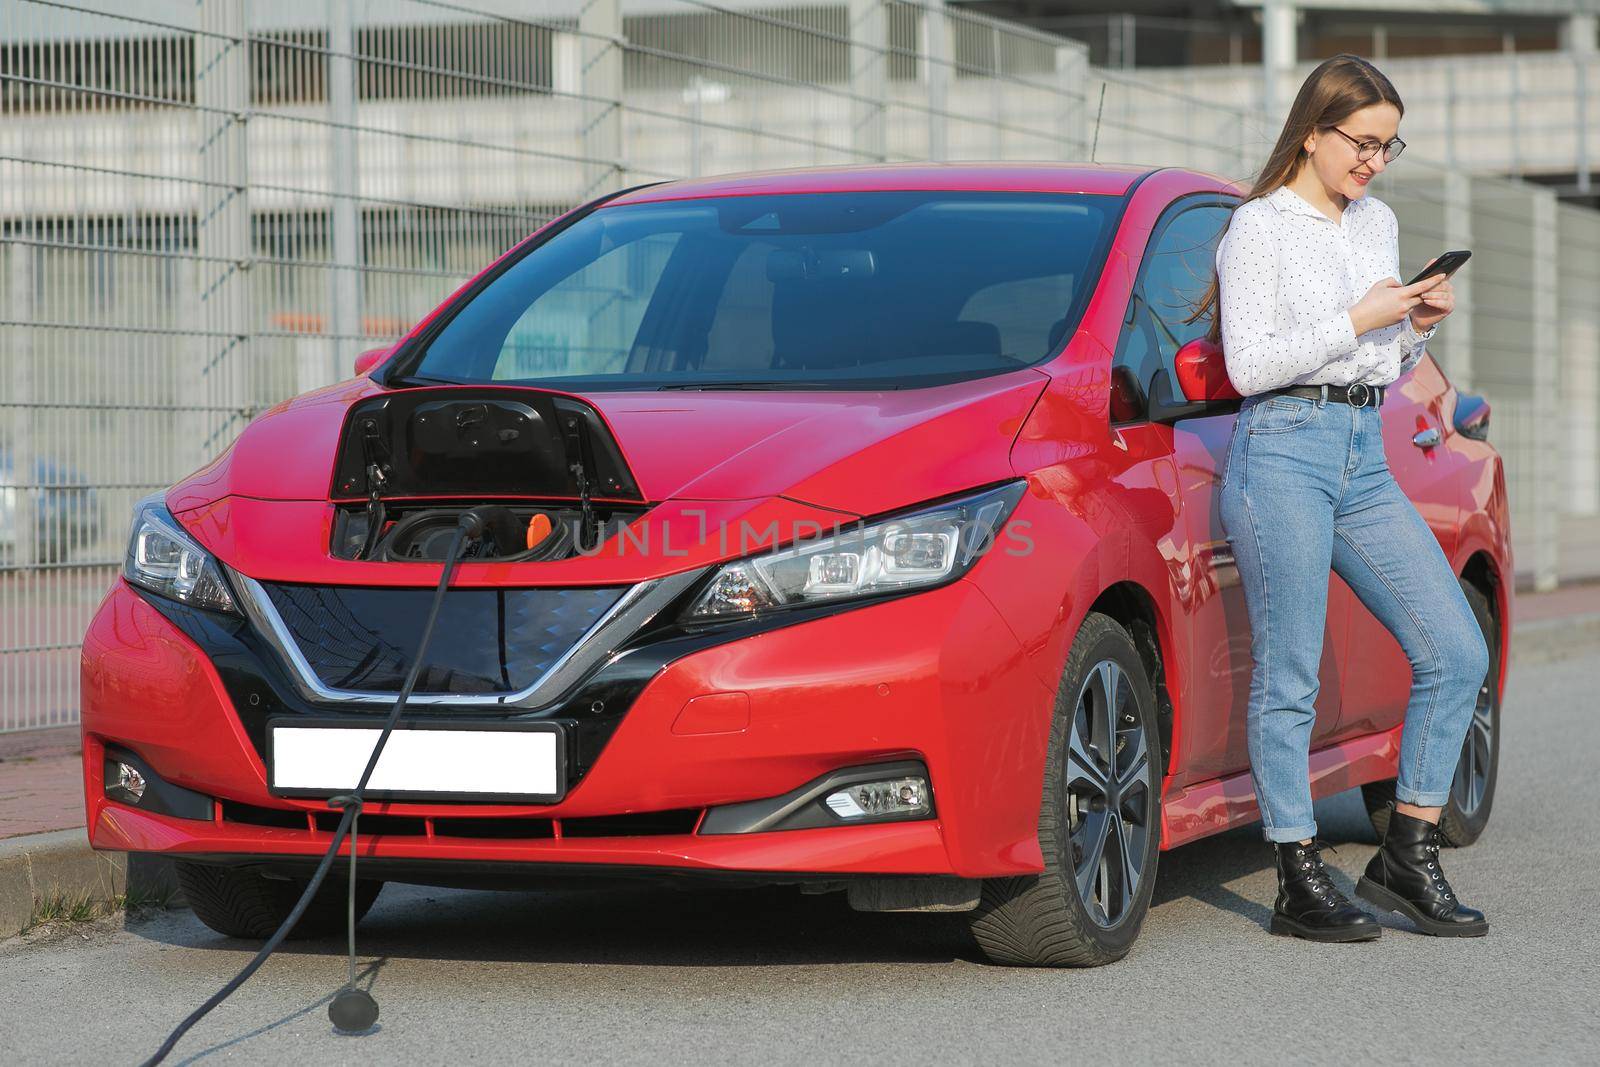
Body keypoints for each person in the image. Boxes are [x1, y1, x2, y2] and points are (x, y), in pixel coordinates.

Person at [1191, 54, 1492, 942]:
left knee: (1455, 649)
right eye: (1361, 142)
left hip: (1364, 449)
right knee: (1289, 672)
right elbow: (1250, 366)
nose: (1373, 161)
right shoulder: (1259, 228)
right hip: (1282, 448)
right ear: (1313, 131)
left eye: (1387, 145)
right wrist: (1360, 318)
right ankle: (1295, 872)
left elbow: (1378, 368)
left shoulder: (1377, 222)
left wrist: (1412, 329)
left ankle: (1406, 851)